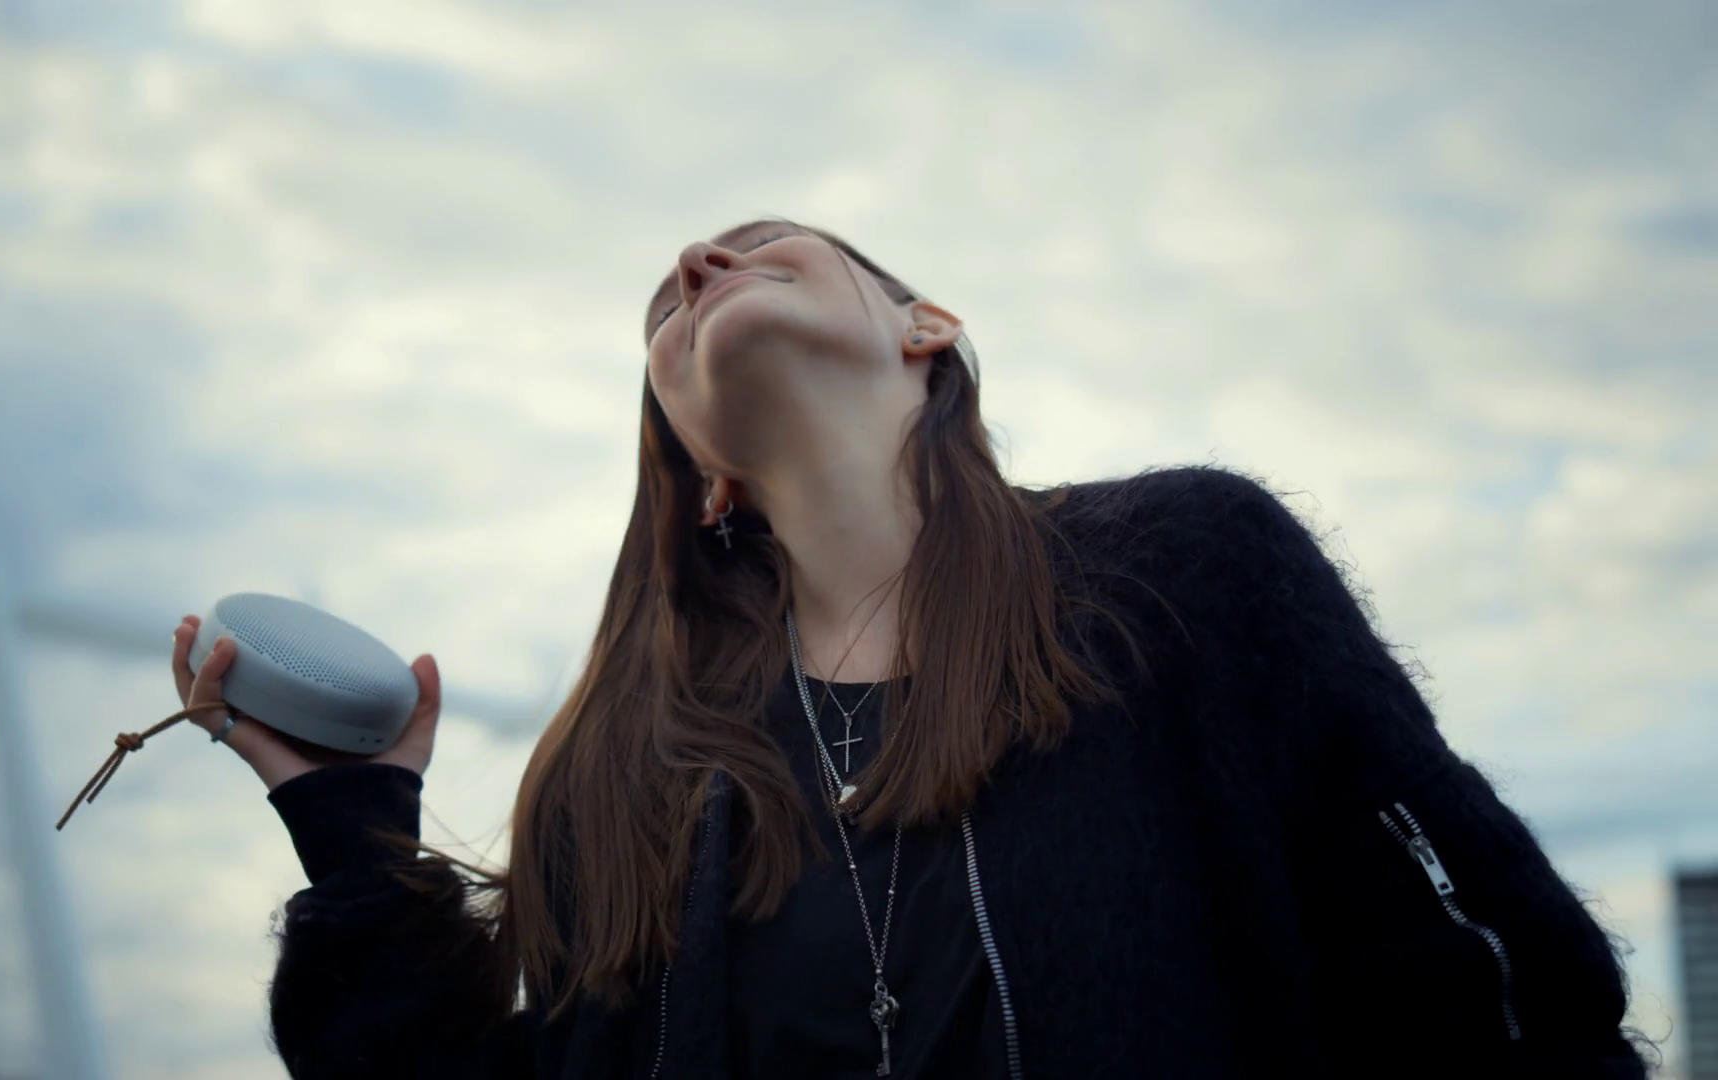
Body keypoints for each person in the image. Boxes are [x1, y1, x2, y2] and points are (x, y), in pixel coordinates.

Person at [169, 218, 1651, 1078]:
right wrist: (356, 842)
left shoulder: (1187, 572)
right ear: (704, 474)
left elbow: (1495, 979)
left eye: (760, 248)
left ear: (926, 327)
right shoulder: (621, 778)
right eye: (667, 314)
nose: (697, 263)